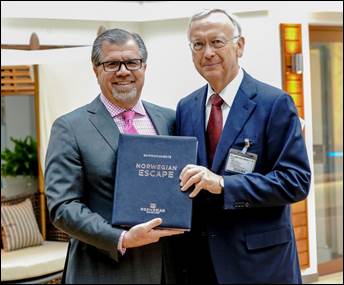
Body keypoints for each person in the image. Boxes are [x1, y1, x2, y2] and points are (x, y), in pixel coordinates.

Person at [176, 9, 311, 284]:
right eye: (198, 44)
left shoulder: (274, 103)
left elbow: (295, 181)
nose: (208, 52)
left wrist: (224, 185)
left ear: (239, 46)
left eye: (217, 42)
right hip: (201, 263)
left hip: (261, 264)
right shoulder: (186, 108)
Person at [45, 28, 183, 284]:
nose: (123, 71)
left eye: (132, 62)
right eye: (112, 64)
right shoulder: (70, 127)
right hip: (103, 270)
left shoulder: (171, 119)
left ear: (144, 67)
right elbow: (62, 207)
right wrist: (121, 238)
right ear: (95, 69)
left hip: (167, 267)